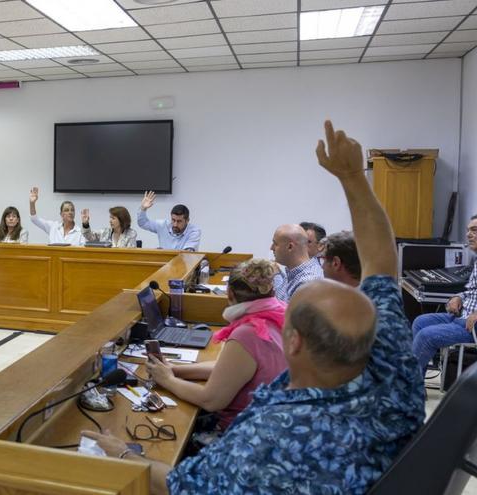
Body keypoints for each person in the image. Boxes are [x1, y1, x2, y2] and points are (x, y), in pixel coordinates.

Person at [84, 120, 424, 494]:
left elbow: (180, 488)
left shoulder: (272, 439)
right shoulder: (393, 369)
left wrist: (122, 456)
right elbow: (382, 262)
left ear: (292, 342)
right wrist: (353, 178)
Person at [145, 258, 286, 441]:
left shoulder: (248, 333)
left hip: (244, 436)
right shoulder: (281, 314)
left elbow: (210, 400)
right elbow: (229, 369)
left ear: (229, 293)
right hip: (272, 424)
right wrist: (174, 369)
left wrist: (168, 380)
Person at [411, 214, 477, 373]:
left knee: (426, 336)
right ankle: (417, 385)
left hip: (472, 327)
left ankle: (407, 387)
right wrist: (457, 297)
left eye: (474, 230)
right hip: (462, 316)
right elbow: (473, 291)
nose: (468, 234)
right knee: (420, 322)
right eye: (468, 230)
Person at [271, 223, 323, 302]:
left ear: (290, 247)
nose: (271, 248)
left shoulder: (307, 282)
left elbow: (284, 311)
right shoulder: (294, 271)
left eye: (275, 244)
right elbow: (283, 297)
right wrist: (276, 274)